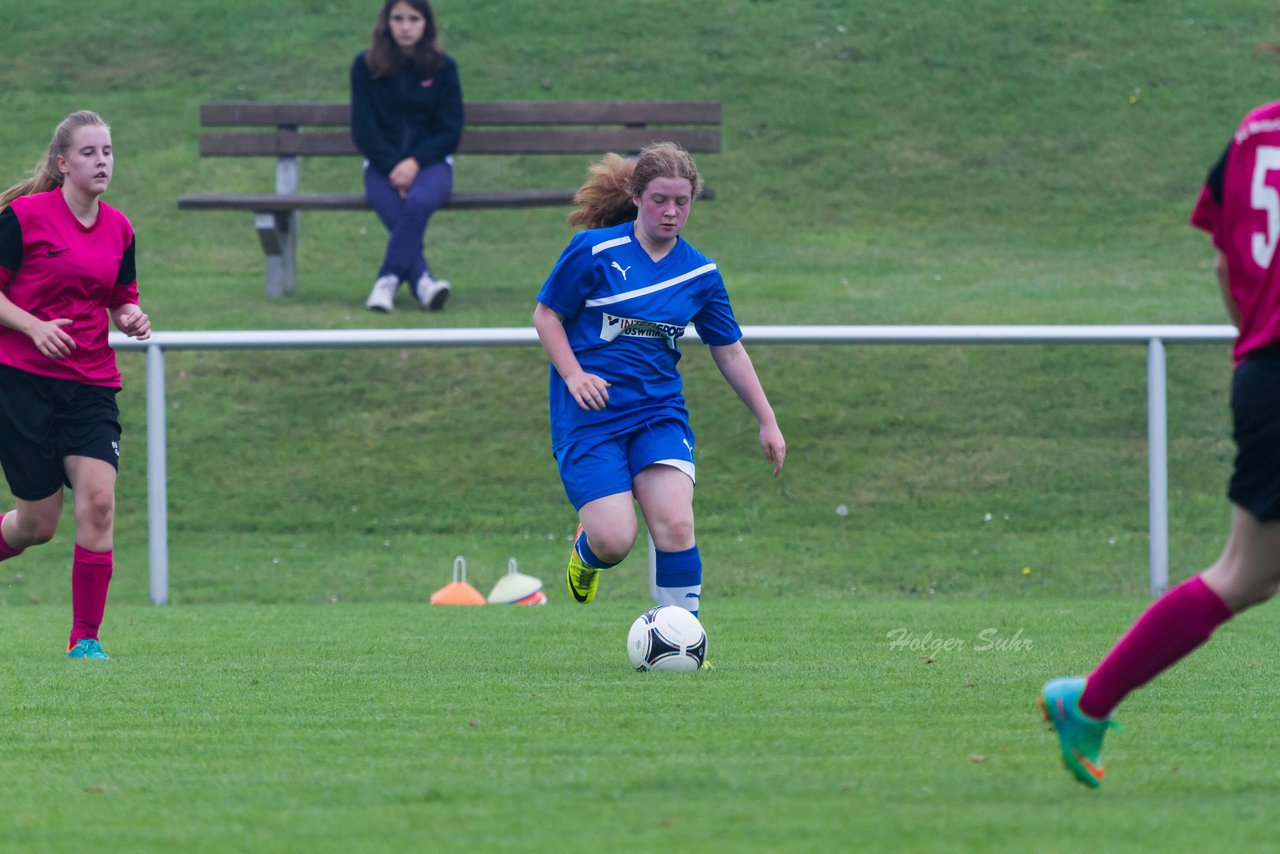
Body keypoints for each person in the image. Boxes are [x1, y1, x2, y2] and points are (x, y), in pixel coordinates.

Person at [1039, 100, 1280, 788]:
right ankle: (1085, 702)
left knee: (1247, 574)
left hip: (1264, 370)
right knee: (1243, 574)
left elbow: (1221, 265)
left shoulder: (1255, 131)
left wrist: (1258, 344)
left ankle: (1087, 702)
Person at [534, 141, 786, 612]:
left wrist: (767, 420)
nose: (671, 212)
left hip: (658, 414)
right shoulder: (593, 251)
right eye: (659, 200)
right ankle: (587, 551)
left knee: (675, 525)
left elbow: (729, 350)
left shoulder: (701, 274)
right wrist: (573, 376)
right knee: (614, 540)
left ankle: (684, 642)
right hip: (592, 416)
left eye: (682, 202)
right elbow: (546, 316)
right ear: (635, 195)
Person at [0, 110, 151, 660]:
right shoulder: (23, 218)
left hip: (90, 384)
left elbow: (120, 294)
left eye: (107, 151)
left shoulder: (120, 227)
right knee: (36, 526)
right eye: (89, 153)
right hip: (21, 383)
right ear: (63, 164)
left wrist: (131, 316)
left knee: (99, 505)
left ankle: (85, 641)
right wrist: (33, 325)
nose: (102, 161)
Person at [351, 0, 462, 313]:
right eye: (397, 18)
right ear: (386, 22)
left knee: (417, 202)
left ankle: (386, 280)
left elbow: (449, 131)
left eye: (413, 18)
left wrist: (413, 163)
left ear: (426, 23)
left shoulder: (443, 67)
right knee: (398, 209)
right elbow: (364, 130)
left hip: (432, 165)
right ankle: (423, 283)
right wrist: (393, 167)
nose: (405, 26)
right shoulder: (366, 66)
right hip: (380, 168)